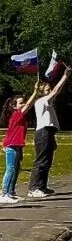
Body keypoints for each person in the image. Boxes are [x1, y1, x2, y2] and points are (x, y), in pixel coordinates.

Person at [28, 66, 67, 197]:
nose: (50, 91)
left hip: (49, 132)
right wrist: (65, 76)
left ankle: (42, 186)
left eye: (49, 89)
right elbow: (56, 90)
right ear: (41, 93)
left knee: (48, 161)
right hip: (43, 132)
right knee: (41, 160)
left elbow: (56, 91)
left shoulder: (48, 103)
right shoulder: (42, 101)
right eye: (47, 90)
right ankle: (34, 188)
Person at [0, 96, 28, 204]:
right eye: (21, 103)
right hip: (11, 145)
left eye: (24, 102)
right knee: (10, 169)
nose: (24, 104)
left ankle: (10, 192)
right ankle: (3, 194)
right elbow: (29, 105)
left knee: (16, 169)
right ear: (14, 106)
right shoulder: (16, 114)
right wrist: (35, 93)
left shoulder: (22, 116)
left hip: (17, 145)